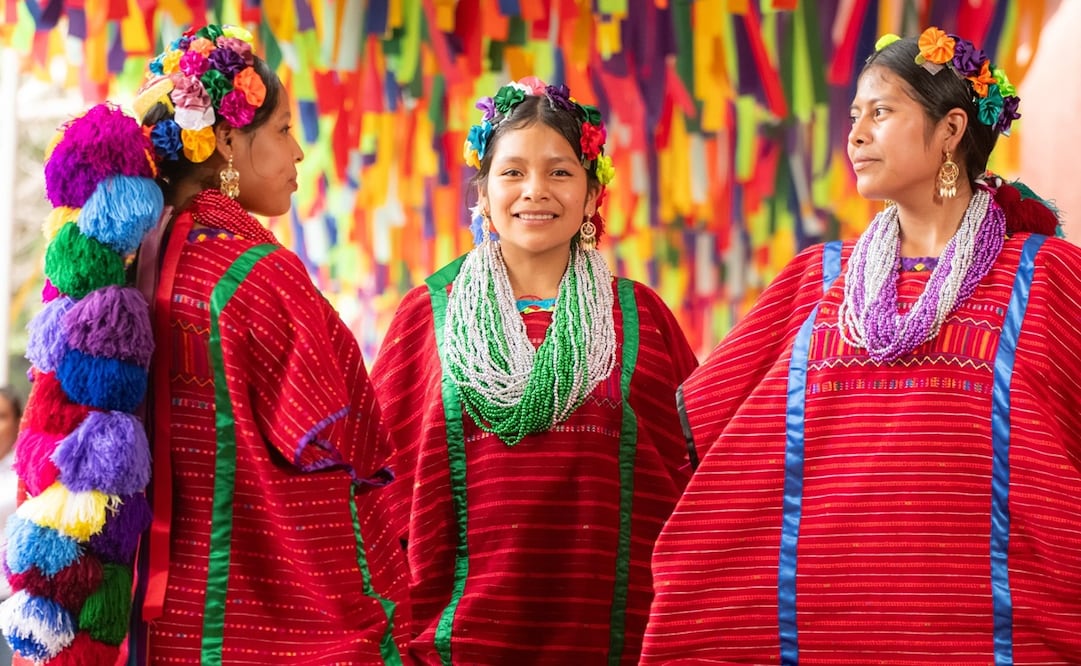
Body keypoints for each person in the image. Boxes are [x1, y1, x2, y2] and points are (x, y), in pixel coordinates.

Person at [641, 27, 1081, 664]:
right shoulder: (815, 281)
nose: (856, 134)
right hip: (818, 640)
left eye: (882, 111)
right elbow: (695, 437)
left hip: (994, 641)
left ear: (952, 130)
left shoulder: (1047, 278)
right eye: (854, 115)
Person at [3, 24, 409, 665]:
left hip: (142, 629)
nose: (298, 152)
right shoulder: (256, 277)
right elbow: (351, 440)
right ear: (223, 141)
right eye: (281, 130)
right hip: (246, 621)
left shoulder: (120, 265)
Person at [370, 77, 698, 664]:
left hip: (610, 637)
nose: (535, 191)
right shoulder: (430, 312)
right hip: (456, 639)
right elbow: (376, 484)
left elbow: (690, 479)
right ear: (484, 191)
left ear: (593, 194)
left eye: (560, 172)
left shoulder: (639, 316)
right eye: (513, 171)